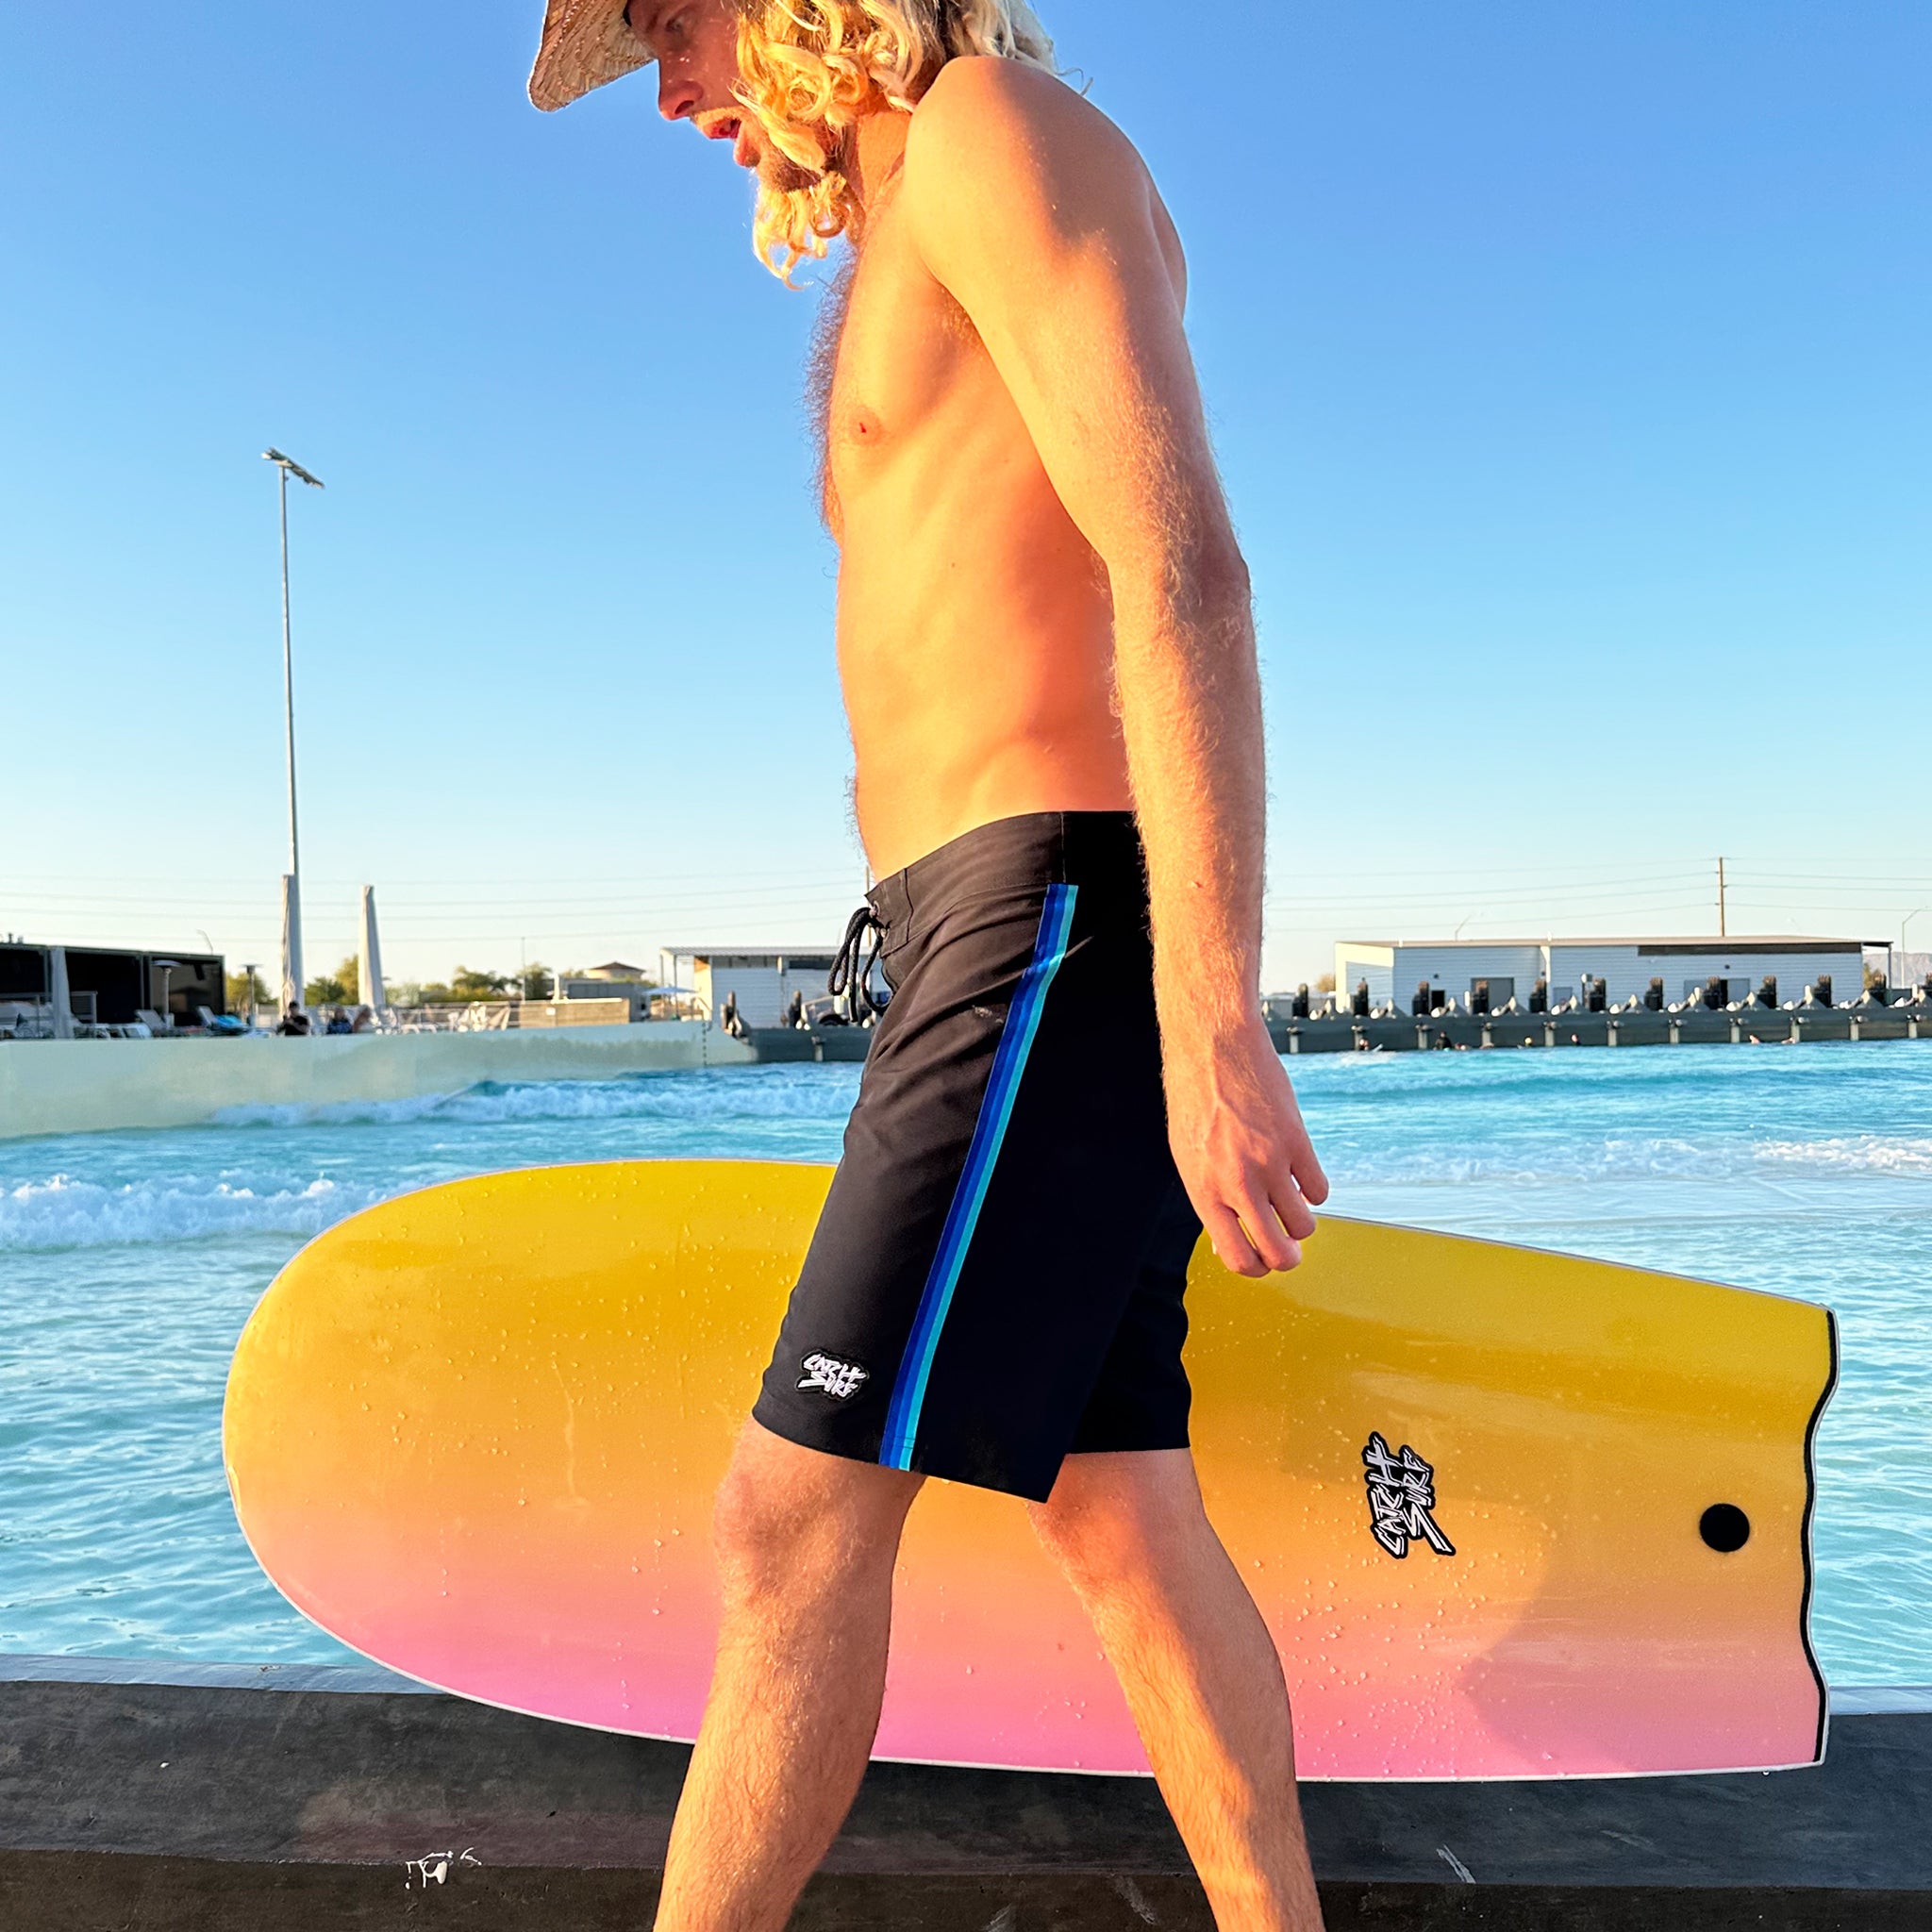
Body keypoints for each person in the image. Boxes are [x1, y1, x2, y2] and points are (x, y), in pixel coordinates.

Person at [528, 5, 1331, 1927]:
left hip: (1048, 914)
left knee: (787, 1519)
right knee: (1117, 1516)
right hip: (981, 929)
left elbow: (1183, 569)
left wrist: (1211, 1017)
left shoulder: (993, 129)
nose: (671, 87)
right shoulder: (906, 220)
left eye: (672, 21)